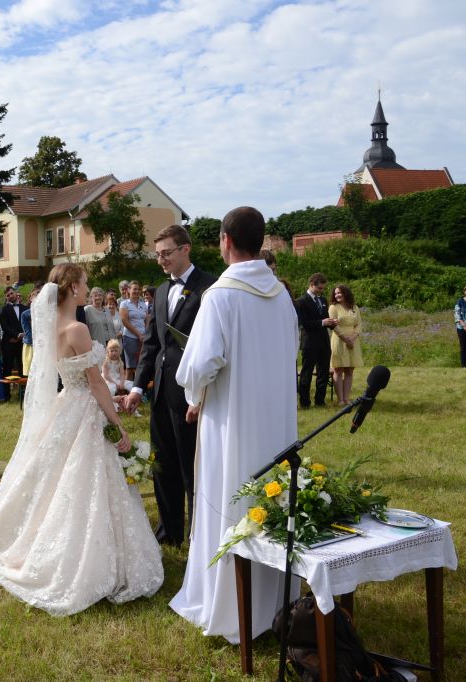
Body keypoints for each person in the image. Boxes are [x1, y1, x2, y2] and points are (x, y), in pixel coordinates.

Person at [0, 263, 163, 615]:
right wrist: (118, 425)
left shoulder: (50, 326)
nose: (88, 286)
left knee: (58, 481)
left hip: (67, 404)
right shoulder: (77, 328)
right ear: (73, 287)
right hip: (85, 411)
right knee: (87, 482)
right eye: (85, 282)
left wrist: (111, 400)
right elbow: (95, 383)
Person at [170, 206, 298, 643]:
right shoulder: (281, 295)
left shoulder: (220, 297)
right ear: (260, 242)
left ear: (225, 240)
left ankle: (227, 606)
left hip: (232, 421)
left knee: (230, 496)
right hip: (275, 421)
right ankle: (274, 603)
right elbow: (289, 352)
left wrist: (195, 396)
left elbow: (198, 366)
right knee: (270, 498)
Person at [124, 224, 217, 547]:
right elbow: (152, 343)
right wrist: (138, 388)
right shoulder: (162, 291)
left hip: (192, 394)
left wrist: (201, 395)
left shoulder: (210, 288)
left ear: (185, 249)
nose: (160, 260)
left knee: (192, 465)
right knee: (162, 464)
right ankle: (169, 531)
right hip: (161, 392)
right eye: (157, 255)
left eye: (165, 253)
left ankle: (198, 534)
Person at [296, 273, 337, 408]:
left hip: (324, 341)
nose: (321, 291)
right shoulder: (301, 301)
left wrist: (332, 323)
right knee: (307, 372)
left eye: (323, 288)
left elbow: (325, 318)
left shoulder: (323, 300)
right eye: (319, 288)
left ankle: (320, 400)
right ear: (312, 284)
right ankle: (305, 402)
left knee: (323, 372)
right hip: (309, 342)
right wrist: (322, 322)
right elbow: (304, 323)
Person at [328, 284, 363, 405]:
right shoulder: (333, 307)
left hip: (353, 341)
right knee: (338, 370)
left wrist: (352, 338)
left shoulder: (354, 307)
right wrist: (345, 338)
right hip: (339, 341)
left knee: (349, 371)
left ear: (346, 293)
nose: (337, 295)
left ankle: (347, 398)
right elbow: (333, 325)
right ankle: (340, 399)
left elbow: (359, 324)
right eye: (335, 293)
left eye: (339, 293)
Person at [0, 286, 25, 394]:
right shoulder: (3, 309)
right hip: (8, 343)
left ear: (16, 293)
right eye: (8, 295)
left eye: (11, 293)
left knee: (23, 367)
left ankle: (23, 393)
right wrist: (16, 335)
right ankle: (6, 394)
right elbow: (5, 326)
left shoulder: (25, 308)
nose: (10, 296)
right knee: (7, 368)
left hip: (22, 343)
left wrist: (21, 337)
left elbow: (27, 324)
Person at [119, 281, 147, 381]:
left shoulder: (143, 304)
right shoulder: (124, 303)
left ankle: (138, 388)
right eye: (134, 289)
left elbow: (147, 320)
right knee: (130, 368)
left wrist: (146, 334)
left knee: (141, 366)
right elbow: (125, 321)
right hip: (130, 337)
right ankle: (127, 388)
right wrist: (139, 334)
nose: (137, 291)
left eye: (138, 289)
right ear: (128, 290)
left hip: (143, 338)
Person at [19, 288, 39, 376]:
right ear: (31, 298)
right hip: (31, 344)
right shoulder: (25, 314)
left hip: (44, 344)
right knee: (31, 371)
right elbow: (27, 331)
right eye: (35, 296)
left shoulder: (48, 313)